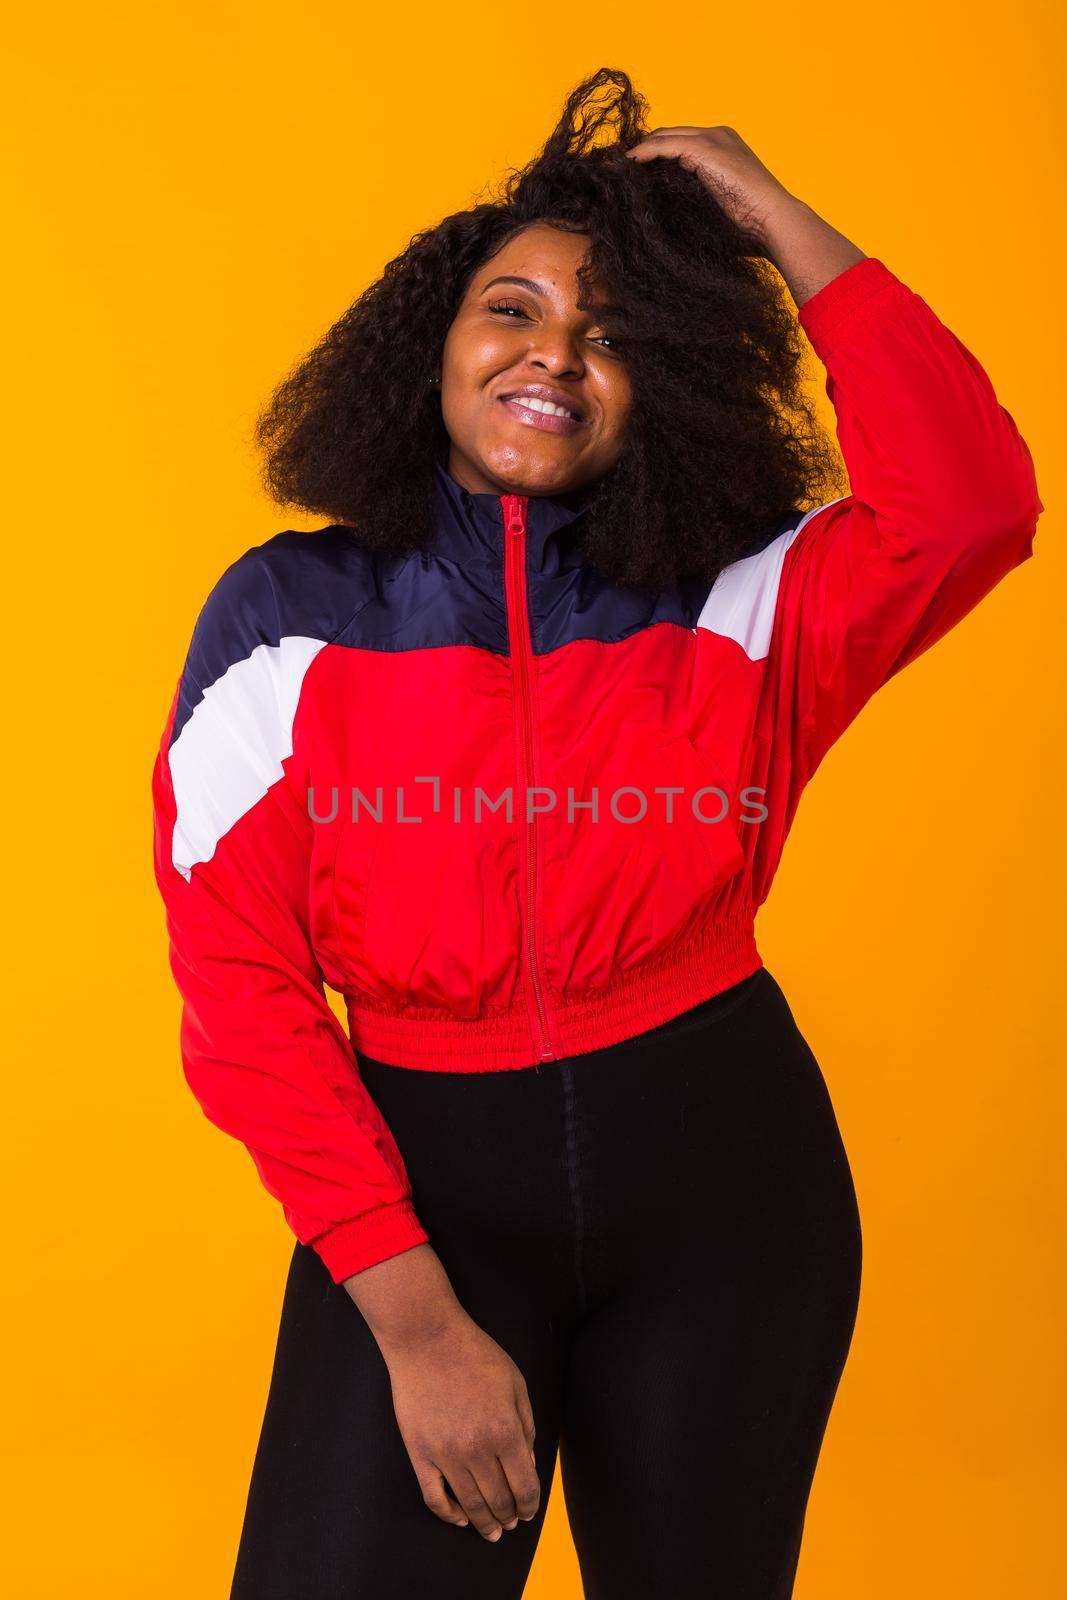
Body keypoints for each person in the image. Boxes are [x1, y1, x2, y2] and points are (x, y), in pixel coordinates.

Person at [151, 67, 1042, 1600]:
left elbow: (973, 511)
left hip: (724, 1194)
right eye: (513, 311)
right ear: (428, 342)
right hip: (424, 1197)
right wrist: (416, 1322)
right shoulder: (282, 624)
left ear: (667, 385)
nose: (555, 354)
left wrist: (780, 226)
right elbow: (238, 995)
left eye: (615, 333)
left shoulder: (743, 596)